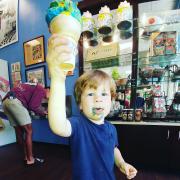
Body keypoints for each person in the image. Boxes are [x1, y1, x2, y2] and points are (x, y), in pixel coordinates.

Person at [47, 35, 137, 180]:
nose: (98, 98)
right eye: (90, 94)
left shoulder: (111, 128)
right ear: (80, 104)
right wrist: (58, 79)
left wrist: (121, 163)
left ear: (111, 100)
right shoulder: (78, 124)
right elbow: (58, 126)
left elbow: (113, 149)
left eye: (104, 94)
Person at [2, 82, 48, 166]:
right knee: (29, 131)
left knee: (19, 132)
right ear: (48, 90)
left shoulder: (32, 86)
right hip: (14, 102)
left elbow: (30, 105)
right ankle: (30, 159)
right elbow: (33, 106)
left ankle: (26, 157)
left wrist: (39, 110)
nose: (47, 99)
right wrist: (44, 113)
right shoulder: (41, 89)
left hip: (5, 102)